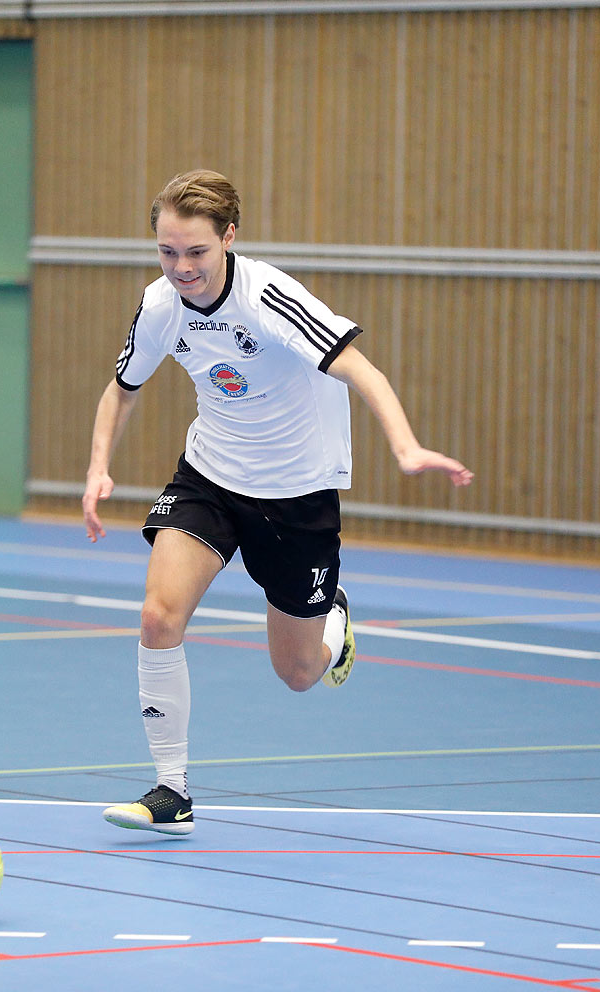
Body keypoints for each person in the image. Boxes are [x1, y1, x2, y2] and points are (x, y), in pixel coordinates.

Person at [83, 169, 473, 836]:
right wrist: (97, 469)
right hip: (211, 477)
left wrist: (405, 447)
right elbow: (123, 386)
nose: (182, 268)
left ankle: (331, 622)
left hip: (298, 494)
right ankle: (171, 790)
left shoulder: (268, 298)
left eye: (196, 252)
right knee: (157, 617)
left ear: (229, 237)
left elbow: (362, 369)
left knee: (296, 674)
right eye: (167, 252)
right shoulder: (159, 306)